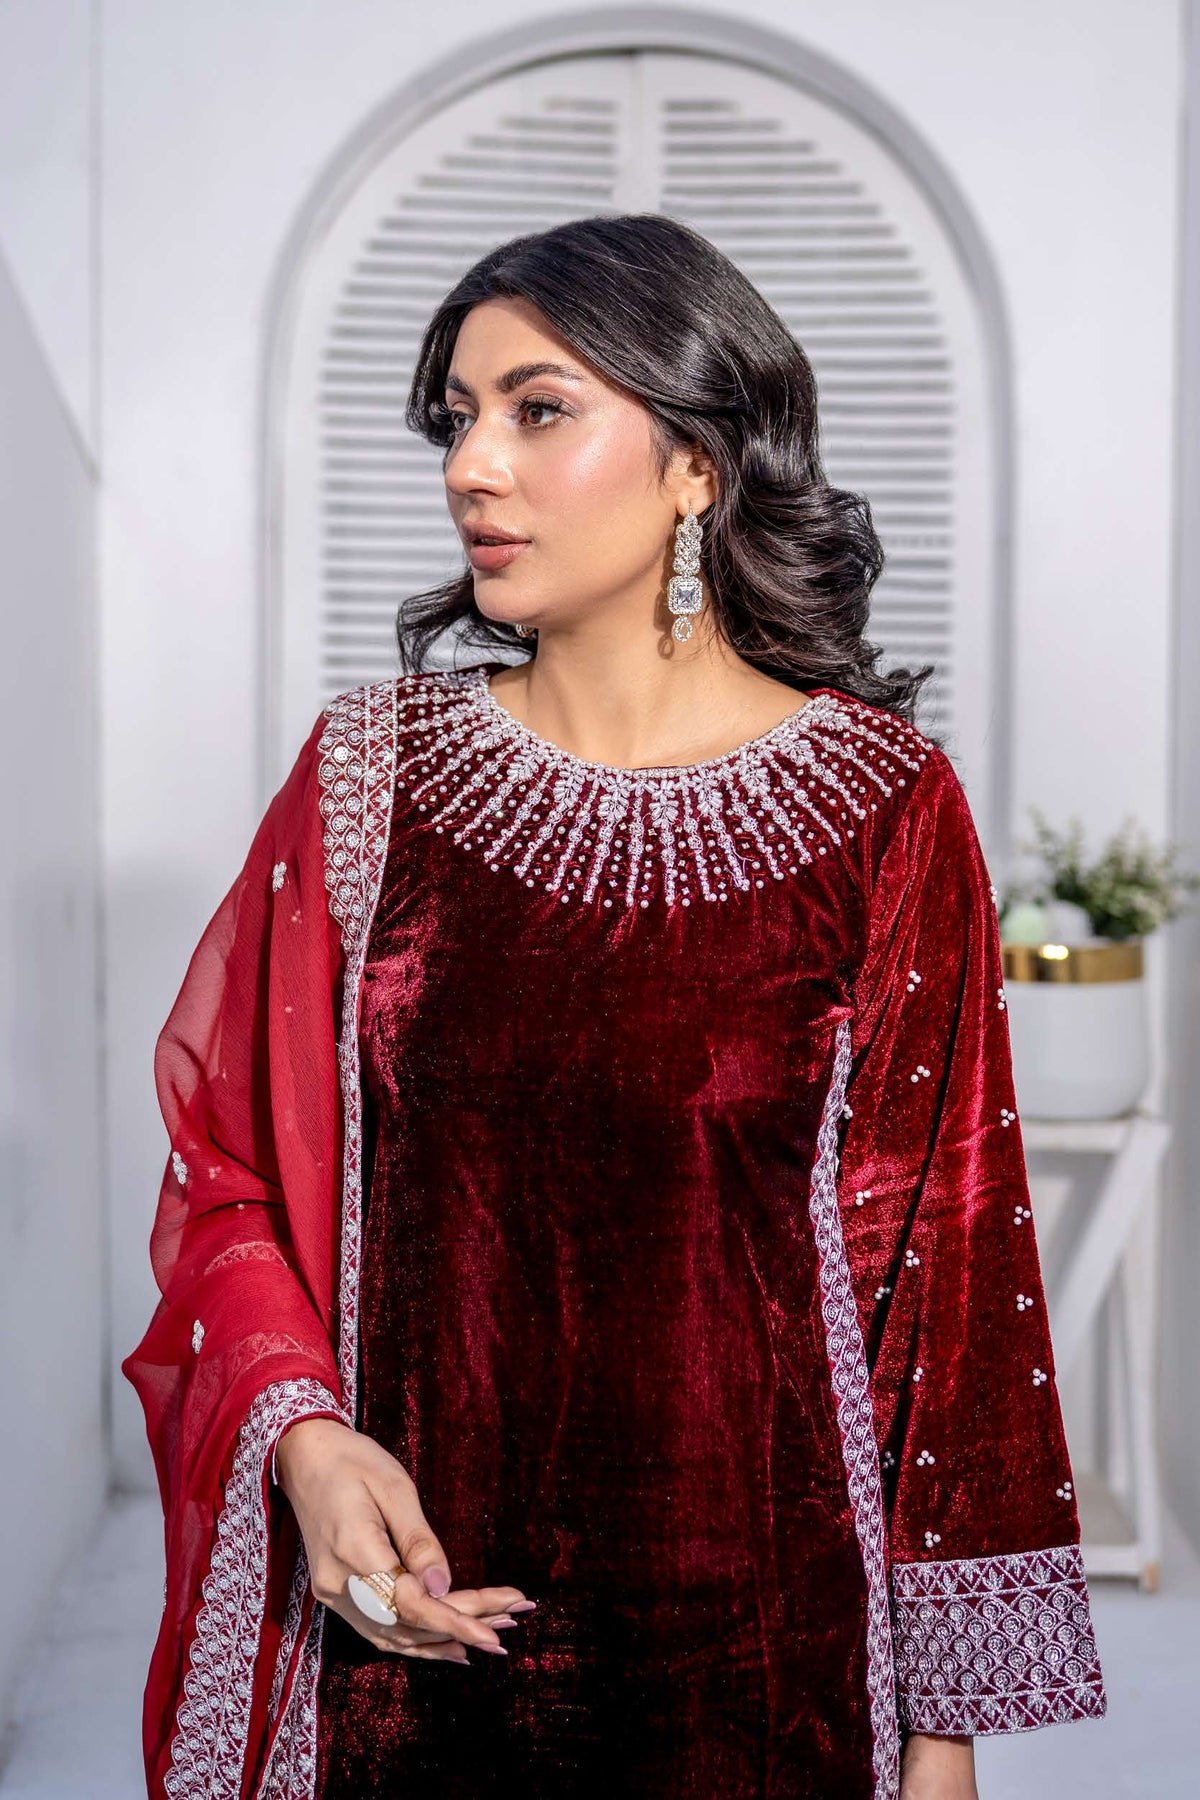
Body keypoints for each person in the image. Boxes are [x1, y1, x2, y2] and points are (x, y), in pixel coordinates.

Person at [125, 214, 1106, 1800]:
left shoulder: (885, 808)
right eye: (459, 417)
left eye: (538, 409)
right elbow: (226, 1170)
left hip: (770, 1666)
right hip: (415, 1640)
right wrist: (304, 1440)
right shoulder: (370, 781)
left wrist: (942, 1743)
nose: (473, 466)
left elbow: (944, 1279)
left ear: (696, 466)